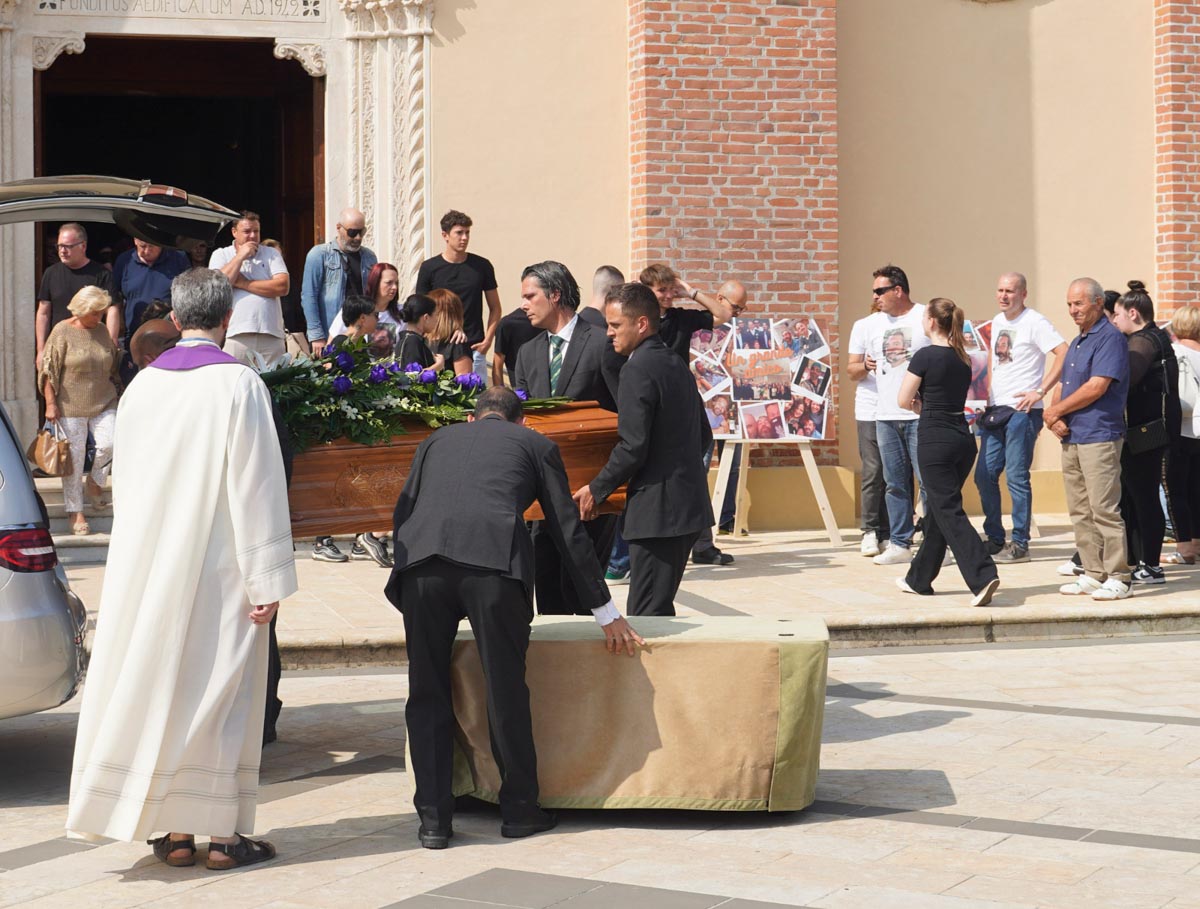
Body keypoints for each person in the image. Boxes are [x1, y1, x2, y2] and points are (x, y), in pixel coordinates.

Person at [66, 267, 297, 869]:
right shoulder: (240, 384)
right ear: (227, 319)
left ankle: (172, 835)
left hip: (151, 564)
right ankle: (222, 839)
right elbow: (257, 483)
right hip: (222, 566)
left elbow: (124, 483)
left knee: (164, 689)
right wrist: (268, 577)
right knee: (221, 693)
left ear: (174, 318)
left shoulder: (141, 388)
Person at [384, 386, 643, 848]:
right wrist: (605, 610)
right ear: (522, 421)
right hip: (493, 567)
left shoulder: (435, 439)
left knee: (426, 692)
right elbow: (565, 528)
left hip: (422, 568)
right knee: (504, 688)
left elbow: (404, 511)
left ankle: (434, 821)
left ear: (471, 418)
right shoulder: (535, 443)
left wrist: (405, 573)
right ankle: (520, 810)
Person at [574, 282, 714, 616]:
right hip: (685, 509)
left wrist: (596, 488)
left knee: (647, 616)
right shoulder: (675, 362)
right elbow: (704, 435)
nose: (609, 333)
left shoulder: (637, 369)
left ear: (641, 324)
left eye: (615, 325)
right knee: (658, 610)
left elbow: (633, 446)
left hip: (659, 516)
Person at [513, 261, 619, 615]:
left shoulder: (601, 343)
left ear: (555, 295)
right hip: (542, 496)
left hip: (589, 493)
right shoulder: (527, 352)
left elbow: (622, 415)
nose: (523, 305)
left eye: (530, 296)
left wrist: (605, 485)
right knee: (548, 595)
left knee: (585, 594)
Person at [894, 298, 1001, 606]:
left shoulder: (925, 355)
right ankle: (918, 579)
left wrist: (919, 405)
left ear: (931, 322)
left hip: (935, 439)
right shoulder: (962, 357)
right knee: (941, 509)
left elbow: (903, 399)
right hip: (962, 439)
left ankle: (983, 575)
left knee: (947, 509)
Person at [1042, 278, 1131, 600]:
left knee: (1103, 508)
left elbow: (1097, 386)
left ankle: (1119, 576)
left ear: (1097, 302)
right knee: (1080, 510)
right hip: (1073, 434)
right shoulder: (1078, 340)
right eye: (1069, 304)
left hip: (1099, 435)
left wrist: (1055, 411)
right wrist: (1054, 416)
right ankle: (1093, 573)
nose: (1072, 310)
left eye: (1078, 303)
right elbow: (1064, 385)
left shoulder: (1110, 338)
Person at [974, 273, 1067, 563]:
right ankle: (994, 538)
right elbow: (995, 363)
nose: (1004, 296)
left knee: (1016, 477)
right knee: (984, 475)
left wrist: (1040, 391)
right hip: (996, 411)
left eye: (1010, 291)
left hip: (1022, 412)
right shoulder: (997, 321)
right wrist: (986, 396)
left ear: (1023, 294)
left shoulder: (1035, 322)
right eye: (1000, 290)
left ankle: (1020, 543)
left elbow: (1063, 352)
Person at [1110, 281, 1181, 585]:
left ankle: (1151, 565)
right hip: (1147, 430)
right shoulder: (1154, 337)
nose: (1114, 321)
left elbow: (1125, 378)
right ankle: (1141, 560)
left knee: (1144, 497)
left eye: (1117, 315)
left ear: (1133, 313)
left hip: (1147, 432)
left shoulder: (1144, 341)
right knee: (1137, 495)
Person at [40, 286, 121, 536]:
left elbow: (111, 364)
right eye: (94, 313)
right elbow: (49, 370)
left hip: (104, 400)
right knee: (73, 462)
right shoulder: (62, 331)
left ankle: (95, 482)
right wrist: (50, 404)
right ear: (80, 310)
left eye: (101, 312)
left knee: (110, 442)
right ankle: (75, 512)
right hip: (70, 405)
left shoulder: (102, 330)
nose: (99, 317)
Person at [862, 265, 929, 565]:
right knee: (894, 483)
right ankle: (900, 543)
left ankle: (935, 543)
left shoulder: (925, 316)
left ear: (898, 290)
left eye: (880, 291)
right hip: (885, 414)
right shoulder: (874, 324)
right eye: (874, 292)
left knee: (928, 483)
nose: (875, 297)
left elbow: (949, 353)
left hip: (919, 416)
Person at [415, 210, 501, 383]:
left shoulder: (482, 266)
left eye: (467, 232)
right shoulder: (429, 267)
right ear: (445, 235)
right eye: (459, 233)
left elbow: (495, 308)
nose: (464, 238)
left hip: (474, 345)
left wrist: (487, 341)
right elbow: (421, 309)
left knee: (475, 395)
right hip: (439, 347)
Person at [210, 211, 290, 369]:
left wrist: (242, 283)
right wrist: (240, 256)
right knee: (235, 379)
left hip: (271, 334)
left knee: (274, 382)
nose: (253, 236)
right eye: (247, 231)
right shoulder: (221, 254)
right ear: (234, 232)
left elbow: (282, 286)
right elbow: (217, 287)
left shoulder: (271, 253)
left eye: (256, 231)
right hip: (236, 333)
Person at [36, 223, 117, 376]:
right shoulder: (50, 273)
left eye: (68, 246)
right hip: (59, 347)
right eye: (59, 246)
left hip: (93, 349)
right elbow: (43, 313)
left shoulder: (101, 274)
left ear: (83, 246)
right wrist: (41, 350)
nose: (62, 251)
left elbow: (112, 310)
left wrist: (111, 344)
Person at [301, 207, 377, 356]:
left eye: (362, 232)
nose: (358, 238)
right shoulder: (319, 255)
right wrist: (316, 336)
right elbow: (309, 296)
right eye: (352, 232)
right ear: (339, 228)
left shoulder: (369, 257)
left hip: (359, 336)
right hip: (329, 333)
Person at [848, 298, 891, 557]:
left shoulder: (909, 324)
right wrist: (866, 365)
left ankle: (892, 532)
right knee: (873, 470)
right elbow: (851, 370)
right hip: (870, 408)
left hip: (898, 408)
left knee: (896, 473)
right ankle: (870, 530)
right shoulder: (863, 326)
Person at [1166, 305, 1200, 564]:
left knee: (1175, 489)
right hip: (1199, 429)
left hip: (1179, 428)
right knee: (1196, 489)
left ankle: (1185, 547)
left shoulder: (1174, 352)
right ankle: (1197, 543)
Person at [112, 239, 189, 344]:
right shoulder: (125, 261)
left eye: (152, 246)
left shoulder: (178, 258)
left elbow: (188, 295)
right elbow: (115, 297)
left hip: (170, 334)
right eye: (142, 246)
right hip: (134, 333)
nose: (147, 251)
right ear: (135, 241)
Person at [325, 262, 404, 357]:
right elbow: (330, 348)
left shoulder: (402, 312)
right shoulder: (355, 308)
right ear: (375, 283)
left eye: (396, 283)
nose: (395, 287)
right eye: (389, 283)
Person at [492, 308, 541, 387]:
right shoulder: (508, 324)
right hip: (521, 390)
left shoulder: (551, 323)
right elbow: (497, 365)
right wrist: (500, 392)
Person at [579, 264, 624, 328]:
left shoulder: (577, 321)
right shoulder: (607, 328)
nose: (621, 298)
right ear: (613, 291)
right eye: (620, 292)